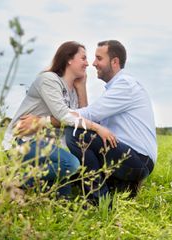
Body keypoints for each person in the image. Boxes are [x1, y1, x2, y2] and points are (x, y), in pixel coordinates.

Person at [2, 41, 117, 198]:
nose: (88, 63)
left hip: (47, 147)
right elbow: (65, 116)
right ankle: (19, 179)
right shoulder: (49, 80)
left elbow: (81, 116)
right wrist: (98, 128)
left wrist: (82, 86)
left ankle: (21, 185)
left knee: (63, 197)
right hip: (23, 141)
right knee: (71, 164)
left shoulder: (73, 92)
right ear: (69, 59)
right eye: (83, 58)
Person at [65, 40, 157, 204]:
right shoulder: (115, 89)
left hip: (137, 160)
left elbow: (88, 116)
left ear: (114, 62)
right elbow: (91, 119)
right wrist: (82, 87)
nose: (93, 63)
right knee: (73, 174)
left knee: (76, 132)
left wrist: (45, 119)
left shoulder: (125, 85)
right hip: (128, 157)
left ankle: (100, 202)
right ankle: (121, 186)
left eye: (99, 58)